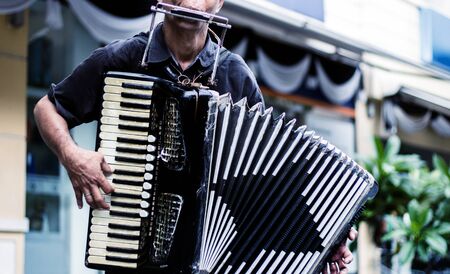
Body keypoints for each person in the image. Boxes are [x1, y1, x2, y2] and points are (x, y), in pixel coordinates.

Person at [33, 0, 356, 273]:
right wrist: (73, 157)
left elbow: (266, 181)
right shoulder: (122, 59)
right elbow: (47, 109)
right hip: (129, 254)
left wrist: (326, 238)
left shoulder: (235, 74)